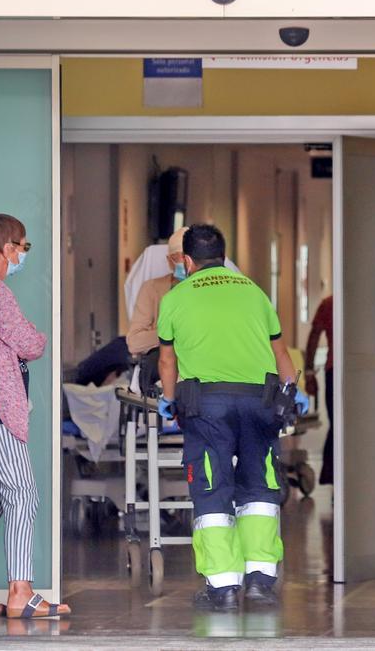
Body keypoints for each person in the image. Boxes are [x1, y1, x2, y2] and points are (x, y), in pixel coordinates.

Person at [155, 224, 308, 611]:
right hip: (259, 403)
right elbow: (280, 351)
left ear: (187, 261)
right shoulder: (254, 292)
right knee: (259, 489)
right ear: (223, 256)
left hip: (206, 406)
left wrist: (169, 400)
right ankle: (260, 583)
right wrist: (292, 391)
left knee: (211, 487)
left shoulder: (176, 297)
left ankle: (222, 587)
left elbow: (167, 359)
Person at [0, 214, 71, 619]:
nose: (23, 254)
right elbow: (29, 342)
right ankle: (21, 590)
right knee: (23, 492)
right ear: (7, 248)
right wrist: (38, 337)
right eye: (23, 246)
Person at [127, 226, 189, 356]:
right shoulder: (151, 289)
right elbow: (134, 342)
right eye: (181, 257)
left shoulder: (210, 288)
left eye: (189, 258)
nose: (186, 263)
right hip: (162, 358)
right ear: (170, 261)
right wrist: (176, 333)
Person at [303, 295, 335, 485]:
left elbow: (314, 335)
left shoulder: (328, 303)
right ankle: (335, 477)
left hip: (334, 371)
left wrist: (309, 371)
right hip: (338, 371)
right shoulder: (329, 304)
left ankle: (333, 478)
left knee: (336, 425)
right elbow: (314, 335)